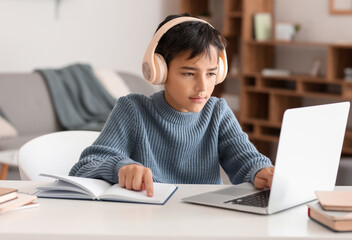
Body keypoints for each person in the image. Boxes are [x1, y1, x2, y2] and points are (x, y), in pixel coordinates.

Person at [69, 13, 274, 197]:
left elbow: (246, 160)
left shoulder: (217, 112)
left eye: (211, 73)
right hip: (148, 221)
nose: (203, 87)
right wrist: (121, 167)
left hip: (203, 220)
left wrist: (261, 171)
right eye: (188, 74)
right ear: (160, 70)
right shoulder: (133, 110)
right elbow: (84, 167)